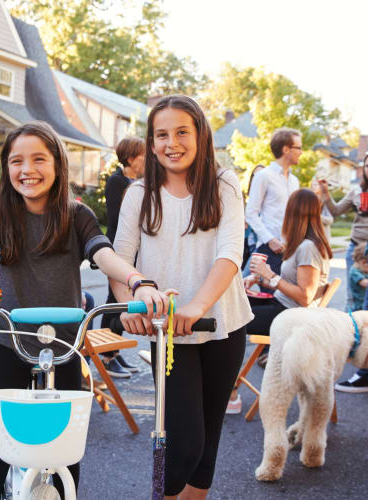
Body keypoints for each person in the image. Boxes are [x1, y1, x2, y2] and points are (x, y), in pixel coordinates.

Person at [0, 122, 169, 500]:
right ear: (7, 169)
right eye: (17, 161)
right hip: (9, 340)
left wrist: (139, 281)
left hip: (64, 345)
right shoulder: (2, 211)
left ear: (58, 164)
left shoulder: (76, 214)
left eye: (39, 159)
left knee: (66, 451)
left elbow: (103, 254)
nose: (28, 170)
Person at [110, 95, 253, 500]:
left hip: (222, 323)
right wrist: (129, 306)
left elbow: (230, 253)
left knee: (207, 443)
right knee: (183, 443)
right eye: (161, 134)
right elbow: (120, 259)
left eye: (181, 132)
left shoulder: (223, 184)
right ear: (151, 144)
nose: (172, 142)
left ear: (200, 135)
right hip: (169, 333)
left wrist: (197, 306)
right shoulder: (139, 193)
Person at [227, 189, 332, 414]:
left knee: (231, 322)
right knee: (230, 307)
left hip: (289, 316)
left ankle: (231, 392)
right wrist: (259, 278)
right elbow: (292, 284)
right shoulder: (304, 244)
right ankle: (229, 386)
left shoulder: (308, 248)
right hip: (282, 307)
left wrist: (270, 276)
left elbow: (305, 296)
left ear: (294, 213)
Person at [101, 136, 145, 377]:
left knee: (126, 301)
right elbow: (118, 219)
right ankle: (106, 355)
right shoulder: (117, 182)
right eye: (142, 156)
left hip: (136, 249)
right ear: (130, 158)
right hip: (117, 249)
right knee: (113, 304)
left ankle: (115, 351)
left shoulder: (141, 182)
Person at [244, 128, 301, 281]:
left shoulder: (295, 181)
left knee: (286, 299)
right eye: (298, 148)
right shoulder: (264, 176)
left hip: (290, 250)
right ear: (286, 149)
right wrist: (270, 239)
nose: (301, 152)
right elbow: (250, 213)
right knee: (269, 299)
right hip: (269, 249)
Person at [318, 153, 368, 311]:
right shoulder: (356, 192)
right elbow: (336, 211)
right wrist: (326, 193)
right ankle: (352, 331)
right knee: (353, 296)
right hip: (356, 251)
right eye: (367, 166)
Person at [335, 241, 368, 393]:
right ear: (363, 262)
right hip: (356, 309)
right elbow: (363, 283)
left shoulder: (361, 269)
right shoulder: (355, 272)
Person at [242, 164, 265, 269]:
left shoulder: (269, 202)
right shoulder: (250, 200)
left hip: (260, 245)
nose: (258, 178)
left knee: (245, 277)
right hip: (247, 243)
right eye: (255, 175)